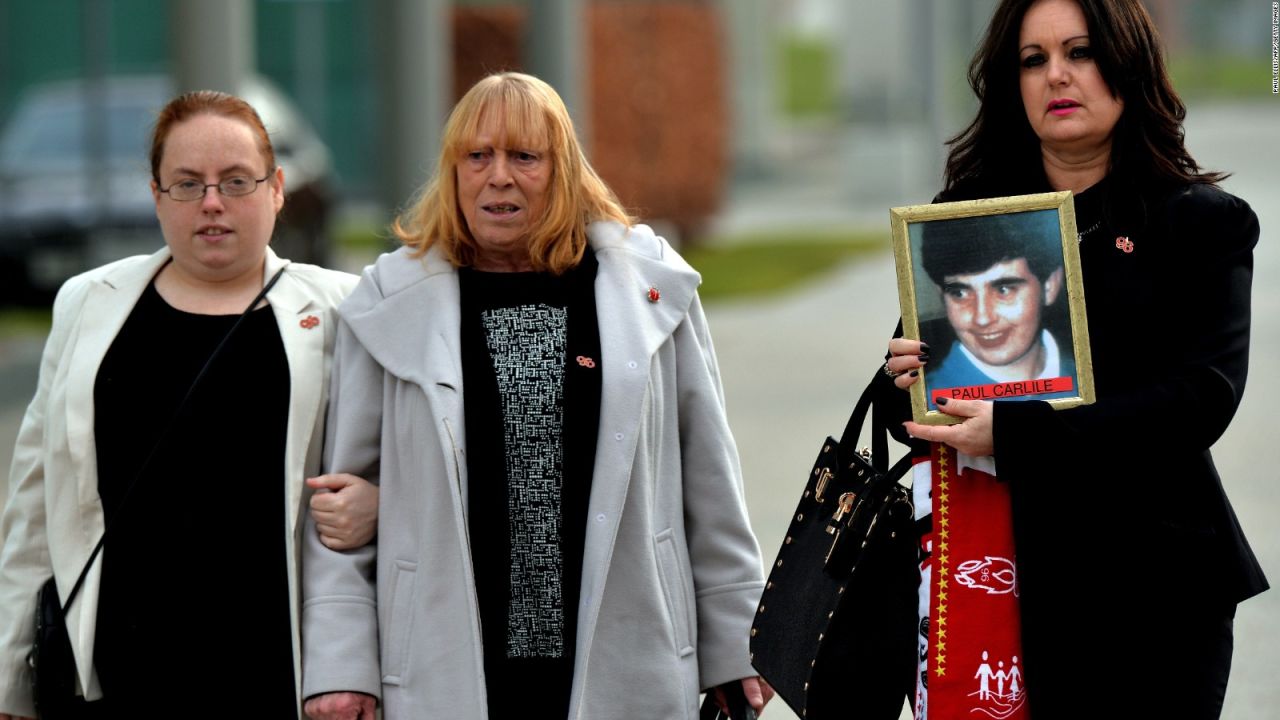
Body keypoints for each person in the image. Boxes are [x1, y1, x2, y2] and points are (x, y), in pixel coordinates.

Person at [301, 72, 769, 720]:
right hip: (446, 665)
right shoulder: (389, 308)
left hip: (624, 651)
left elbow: (710, 485)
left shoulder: (648, 296)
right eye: (478, 156)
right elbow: (338, 513)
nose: (498, 177)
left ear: (563, 170)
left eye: (524, 156)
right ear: (453, 171)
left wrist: (737, 642)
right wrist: (341, 667)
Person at [881, 0, 1267, 717]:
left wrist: (1017, 432)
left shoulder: (1199, 222)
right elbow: (923, 403)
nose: (1057, 75)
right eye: (1034, 59)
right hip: (996, 575)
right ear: (1011, 81)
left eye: (1080, 52)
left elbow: (1203, 398)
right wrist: (905, 372)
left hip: (1156, 590)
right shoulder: (969, 214)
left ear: (1129, 63)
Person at [0, 90, 378, 720]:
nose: (211, 203)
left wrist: (381, 503)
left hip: (273, 675)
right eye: (186, 184)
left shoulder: (346, 310)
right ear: (155, 194)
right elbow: (35, 507)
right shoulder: (89, 305)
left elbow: (433, 446)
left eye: (236, 181)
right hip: (115, 679)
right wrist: (10, 682)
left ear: (277, 188)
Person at [918, 212, 1076, 407]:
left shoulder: (1091, 382)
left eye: (1004, 289)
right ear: (941, 295)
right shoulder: (928, 402)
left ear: (1050, 286)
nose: (982, 318)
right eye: (959, 293)